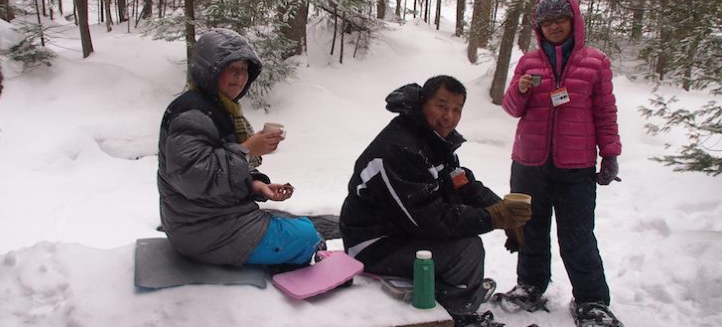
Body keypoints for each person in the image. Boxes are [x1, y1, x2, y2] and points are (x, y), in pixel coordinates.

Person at [339, 75, 532, 327]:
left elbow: (461, 182)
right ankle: (458, 314)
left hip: (401, 231)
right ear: (422, 103)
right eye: (441, 106)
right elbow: (430, 219)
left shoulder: (432, 138)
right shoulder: (400, 148)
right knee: (466, 250)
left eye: (457, 109)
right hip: (371, 244)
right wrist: (492, 218)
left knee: (462, 243)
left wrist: (500, 210)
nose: (449, 116)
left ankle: (447, 289)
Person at [498, 0, 623, 325]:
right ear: (539, 26)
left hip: (576, 165)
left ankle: (592, 300)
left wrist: (609, 154)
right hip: (528, 163)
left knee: (578, 234)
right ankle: (530, 286)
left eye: (560, 19)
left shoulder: (596, 62)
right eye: (547, 21)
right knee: (528, 228)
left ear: (574, 20)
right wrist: (520, 89)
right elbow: (512, 109)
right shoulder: (528, 62)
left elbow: (605, 112)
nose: (554, 26)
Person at [157, 28, 322, 267]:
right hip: (201, 229)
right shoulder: (191, 114)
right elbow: (195, 179)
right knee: (305, 237)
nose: (239, 77)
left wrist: (257, 186)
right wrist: (247, 150)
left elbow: (219, 169)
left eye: (244, 70)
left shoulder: (220, 108)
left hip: (214, 219)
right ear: (209, 71)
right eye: (231, 69)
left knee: (305, 227)